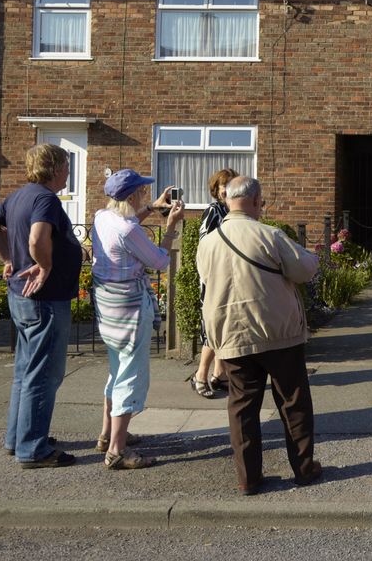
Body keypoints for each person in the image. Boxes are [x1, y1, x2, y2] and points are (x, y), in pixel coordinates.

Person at [196, 176, 321, 495]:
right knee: (293, 402)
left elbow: (205, 280)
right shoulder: (270, 235)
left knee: (242, 408)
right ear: (254, 201)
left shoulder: (208, 241)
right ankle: (304, 469)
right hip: (277, 332)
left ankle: (248, 479)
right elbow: (305, 270)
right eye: (261, 202)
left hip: (232, 336)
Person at [0, 144, 84, 468]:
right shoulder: (45, 199)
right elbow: (38, 239)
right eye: (66, 165)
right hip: (44, 300)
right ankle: (33, 450)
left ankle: (19, 438)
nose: (68, 171)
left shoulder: (18, 196)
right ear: (53, 168)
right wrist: (45, 265)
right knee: (44, 375)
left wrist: (9, 258)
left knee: (25, 372)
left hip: (22, 297)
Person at [91, 169, 185, 470]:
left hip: (108, 309)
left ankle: (108, 435)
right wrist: (170, 226)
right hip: (130, 310)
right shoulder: (127, 230)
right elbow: (159, 261)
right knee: (131, 377)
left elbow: (127, 227)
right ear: (131, 196)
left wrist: (150, 209)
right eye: (142, 193)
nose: (145, 196)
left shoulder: (102, 217)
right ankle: (117, 451)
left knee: (117, 369)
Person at [191, 167, 238, 398]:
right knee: (212, 328)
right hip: (213, 278)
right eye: (223, 186)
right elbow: (205, 244)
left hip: (228, 276)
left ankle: (219, 375)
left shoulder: (231, 210)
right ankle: (200, 375)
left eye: (231, 185)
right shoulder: (214, 210)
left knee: (223, 326)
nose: (226, 190)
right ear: (216, 189)